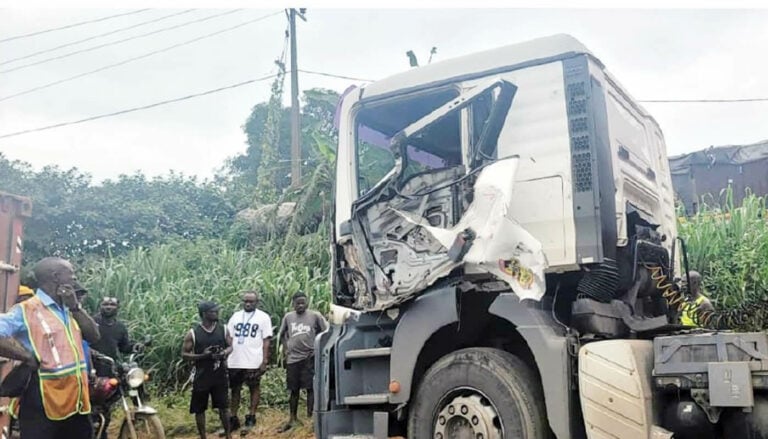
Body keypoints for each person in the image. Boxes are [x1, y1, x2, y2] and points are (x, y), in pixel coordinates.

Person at [0, 257, 100, 439]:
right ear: (55, 277)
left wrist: (76, 307)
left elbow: (94, 336)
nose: (74, 279)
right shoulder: (27, 309)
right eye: (71, 274)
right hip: (43, 400)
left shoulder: (70, 309)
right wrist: (27, 356)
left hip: (77, 401)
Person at [277, 291, 328, 432]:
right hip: (293, 359)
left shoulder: (315, 316)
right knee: (294, 390)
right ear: (293, 304)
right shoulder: (288, 317)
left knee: (310, 388)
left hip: (309, 358)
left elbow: (325, 333)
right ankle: (293, 417)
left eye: (303, 302)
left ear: (307, 303)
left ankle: (310, 416)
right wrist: (286, 349)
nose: (300, 305)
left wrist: (318, 350)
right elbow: (282, 335)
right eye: (297, 303)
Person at [182, 301, 233, 439]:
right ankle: (203, 436)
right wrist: (203, 356)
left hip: (219, 375)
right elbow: (185, 355)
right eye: (213, 311)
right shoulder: (193, 333)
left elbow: (230, 346)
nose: (216, 313)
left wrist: (223, 353)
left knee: (224, 407)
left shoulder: (223, 329)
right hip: (201, 376)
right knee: (200, 409)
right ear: (204, 314)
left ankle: (228, 435)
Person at [226, 291, 273, 433]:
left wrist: (264, 360)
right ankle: (233, 419)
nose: (248, 304)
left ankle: (251, 417)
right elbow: (228, 335)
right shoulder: (235, 316)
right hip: (235, 360)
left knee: (254, 388)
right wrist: (230, 350)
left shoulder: (263, 317)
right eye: (245, 301)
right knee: (235, 389)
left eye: (251, 301)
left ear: (257, 302)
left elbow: (266, 340)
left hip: (253, 360)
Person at [90, 296, 132, 439]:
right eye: (105, 304)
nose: (108, 307)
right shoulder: (92, 323)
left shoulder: (120, 327)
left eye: (112, 304)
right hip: (92, 370)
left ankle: (102, 432)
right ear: (100, 306)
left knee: (106, 406)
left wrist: (136, 347)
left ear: (117, 308)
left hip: (111, 369)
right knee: (92, 406)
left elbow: (124, 347)